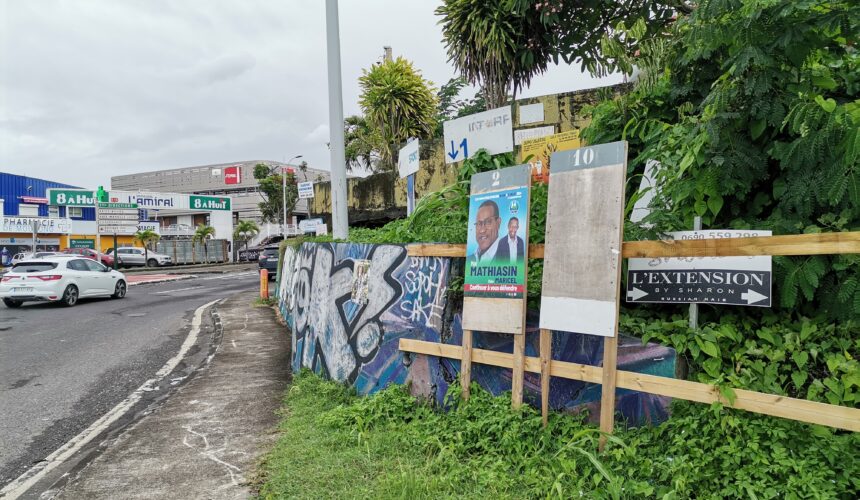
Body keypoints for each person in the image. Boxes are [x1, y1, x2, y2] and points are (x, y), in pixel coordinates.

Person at [468, 200, 501, 266]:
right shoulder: (470, 259)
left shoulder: (509, 256)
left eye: (488, 222)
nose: (482, 230)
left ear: (498, 223)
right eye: (479, 224)